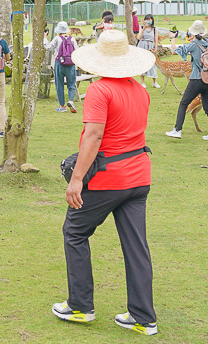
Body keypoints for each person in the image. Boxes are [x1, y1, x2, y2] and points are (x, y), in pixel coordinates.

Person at [52, 29, 158, 336]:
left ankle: (80, 306)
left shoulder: (100, 90)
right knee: (136, 246)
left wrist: (76, 179)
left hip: (109, 178)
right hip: (139, 176)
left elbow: (94, 136)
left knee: (74, 230)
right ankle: (143, 317)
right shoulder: (140, 89)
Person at [164, 20, 208, 141]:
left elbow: (174, 50)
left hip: (197, 79)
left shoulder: (193, 45)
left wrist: (172, 38)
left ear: (193, 32)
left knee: (184, 103)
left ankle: (177, 130)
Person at [43, 21, 79, 113]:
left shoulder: (57, 38)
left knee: (59, 85)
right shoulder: (72, 39)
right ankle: (71, 100)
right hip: (71, 64)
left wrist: (44, 38)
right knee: (71, 84)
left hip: (59, 63)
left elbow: (48, 48)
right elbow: (77, 51)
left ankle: (62, 106)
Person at [136, 15, 160, 89]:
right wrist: (143, 28)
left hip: (150, 46)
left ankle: (154, 82)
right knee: (142, 63)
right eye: (147, 19)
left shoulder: (155, 29)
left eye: (149, 19)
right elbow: (139, 38)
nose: (148, 20)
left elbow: (156, 40)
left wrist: (155, 49)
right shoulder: (141, 27)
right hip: (142, 45)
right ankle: (143, 82)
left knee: (153, 63)